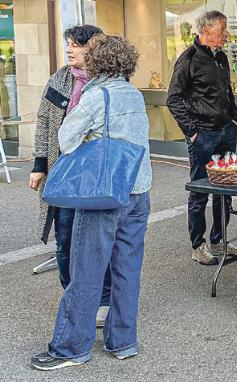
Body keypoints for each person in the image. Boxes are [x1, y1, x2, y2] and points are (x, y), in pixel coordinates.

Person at [31, 34, 152, 371]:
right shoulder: (134, 94)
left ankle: (70, 348)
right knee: (127, 270)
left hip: (104, 195)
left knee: (86, 271)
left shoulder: (96, 95)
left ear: (96, 62)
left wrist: (87, 135)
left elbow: (65, 140)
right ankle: (123, 342)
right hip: (139, 191)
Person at [29, 25, 112, 327]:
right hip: (63, 173)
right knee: (64, 239)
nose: (70, 49)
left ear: (94, 48)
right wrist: (40, 164)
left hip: (94, 175)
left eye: (76, 44)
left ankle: (102, 299)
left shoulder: (108, 82)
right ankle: (73, 296)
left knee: (96, 239)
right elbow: (42, 122)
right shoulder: (60, 79)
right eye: (68, 44)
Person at [167, 10, 237, 265]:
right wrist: (192, 131)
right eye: (222, 30)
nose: (226, 34)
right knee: (200, 191)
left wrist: (235, 118)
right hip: (203, 135)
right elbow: (173, 99)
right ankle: (198, 245)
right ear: (206, 30)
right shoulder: (188, 59)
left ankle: (219, 240)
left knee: (225, 189)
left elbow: (227, 92)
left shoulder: (221, 56)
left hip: (225, 131)